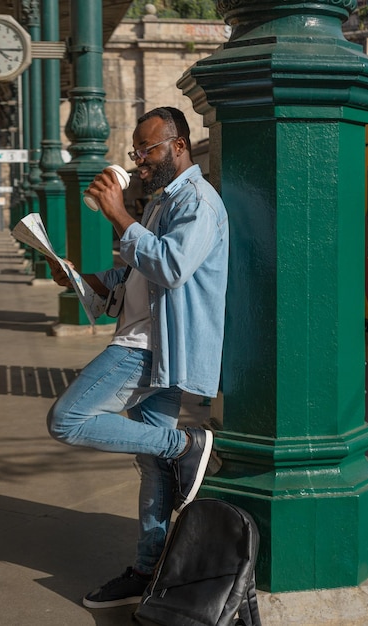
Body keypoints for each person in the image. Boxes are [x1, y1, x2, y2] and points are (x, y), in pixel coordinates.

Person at [46, 106, 229, 610]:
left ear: (178, 146)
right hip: (146, 337)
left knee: (68, 419)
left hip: (152, 346)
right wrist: (82, 278)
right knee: (151, 465)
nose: (139, 160)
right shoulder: (159, 203)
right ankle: (149, 570)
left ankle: (186, 444)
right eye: (136, 151)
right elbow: (135, 275)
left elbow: (171, 266)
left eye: (147, 150)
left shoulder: (198, 202)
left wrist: (118, 214)